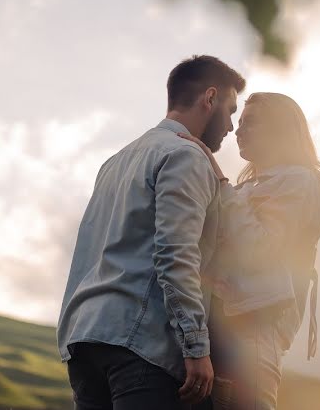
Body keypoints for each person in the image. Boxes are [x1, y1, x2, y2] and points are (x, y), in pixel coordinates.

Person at [57, 55, 245, 409]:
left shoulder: (115, 162)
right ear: (210, 98)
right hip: (141, 345)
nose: (232, 127)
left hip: (84, 340)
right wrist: (195, 346)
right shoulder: (185, 156)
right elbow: (176, 252)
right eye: (231, 111)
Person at [179, 92, 320, 410]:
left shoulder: (300, 182)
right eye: (239, 124)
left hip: (250, 341)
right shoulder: (248, 188)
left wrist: (220, 180)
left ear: (281, 130)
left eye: (250, 123)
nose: (238, 131)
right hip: (220, 335)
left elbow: (260, 248)